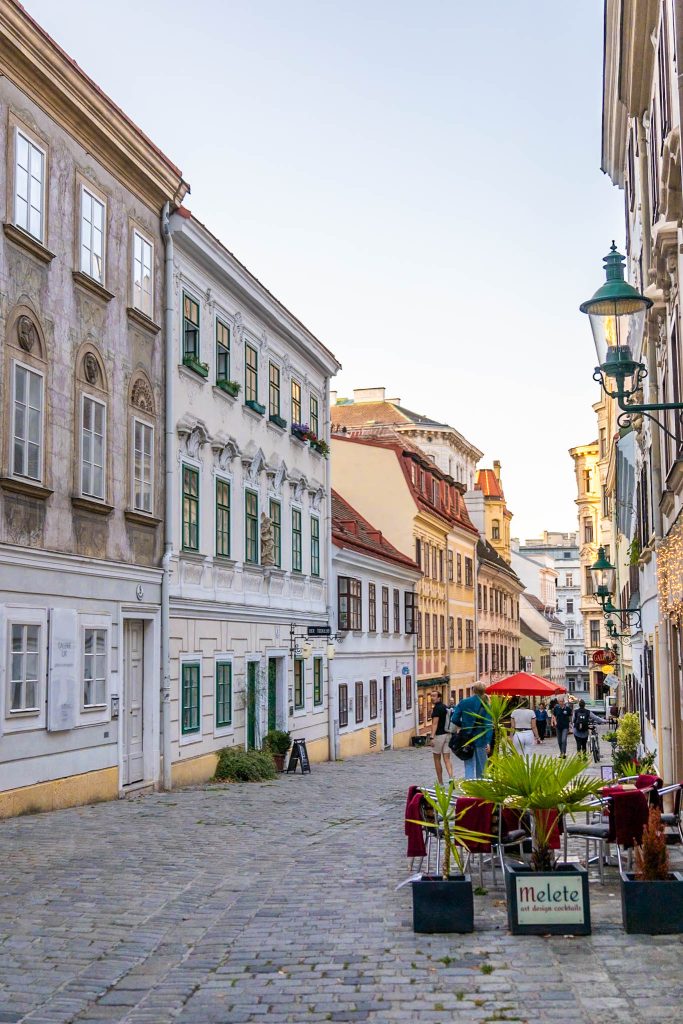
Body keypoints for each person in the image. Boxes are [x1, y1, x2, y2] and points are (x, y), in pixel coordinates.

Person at [451, 682, 493, 780]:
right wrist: (488, 741)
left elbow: (454, 719)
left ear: (473, 690)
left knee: (469, 764)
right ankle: (479, 788)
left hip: (466, 738)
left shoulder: (464, 702)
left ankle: (468, 787)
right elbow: (488, 725)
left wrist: (463, 726)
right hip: (481, 738)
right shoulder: (486, 705)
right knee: (482, 766)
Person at [429, 690, 453, 784]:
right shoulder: (445, 707)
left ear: (439, 697)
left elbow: (435, 724)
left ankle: (441, 782)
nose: (432, 697)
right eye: (431, 696)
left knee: (437, 759)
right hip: (448, 734)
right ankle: (451, 777)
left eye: (434, 696)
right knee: (447, 758)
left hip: (439, 736)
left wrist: (431, 737)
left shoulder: (437, 709)